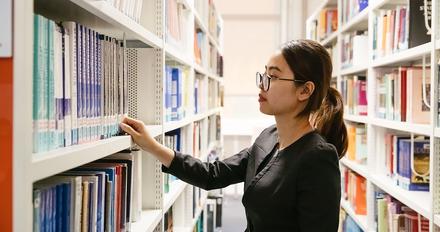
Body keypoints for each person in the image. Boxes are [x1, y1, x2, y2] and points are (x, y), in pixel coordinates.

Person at [120, 39, 348, 232]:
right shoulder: (269, 137)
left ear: (305, 90)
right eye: (263, 75)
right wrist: (151, 145)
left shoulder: (318, 158)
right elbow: (213, 175)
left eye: (274, 77)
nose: (262, 85)